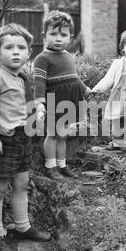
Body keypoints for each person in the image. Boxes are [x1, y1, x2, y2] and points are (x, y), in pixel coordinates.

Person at [0, 23, 51, 251]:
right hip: (4, 141)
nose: (16, 52)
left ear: (29, 52)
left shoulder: (23, 77)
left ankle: (22, 226)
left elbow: (24, 105)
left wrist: (36, 111)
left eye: (21, 47)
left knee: (22, 184)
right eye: (9, 47)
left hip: (23, 139)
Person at [34, 10, 91, 180]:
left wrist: (85, 88)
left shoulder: (68, 56)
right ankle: (50, 167)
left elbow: (73, 77)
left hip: (70, 100)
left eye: (63, 35)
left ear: (70, 37)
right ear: (45, 36)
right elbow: (39, 82)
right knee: (52, 134)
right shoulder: (42, 58)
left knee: (63, 135)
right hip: (54, 100)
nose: (58, 38)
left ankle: (62, 165)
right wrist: (40, 103)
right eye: (53, 34)